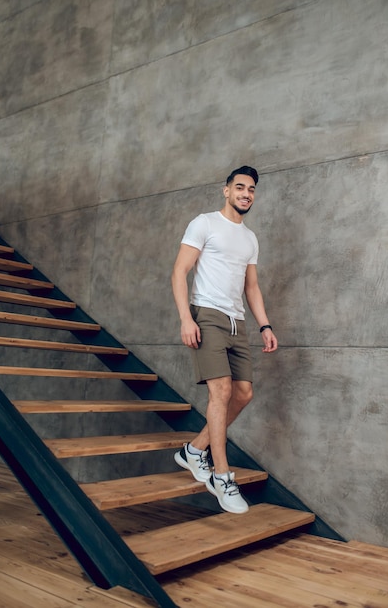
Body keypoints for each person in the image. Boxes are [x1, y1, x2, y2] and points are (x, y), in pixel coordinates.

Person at [172, 165, 278, 514]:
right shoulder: (204, 223)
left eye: (251, 190)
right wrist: (187, 318)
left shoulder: (250, 238)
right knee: (221, 392)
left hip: (238, 324)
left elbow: (251, 287)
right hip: (207, 316)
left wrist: (265, 326)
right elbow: (179, 272)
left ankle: (193, 451)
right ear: (226, 190)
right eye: (240, 187)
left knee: (243, 393)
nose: (246, 193)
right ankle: (222, 475)